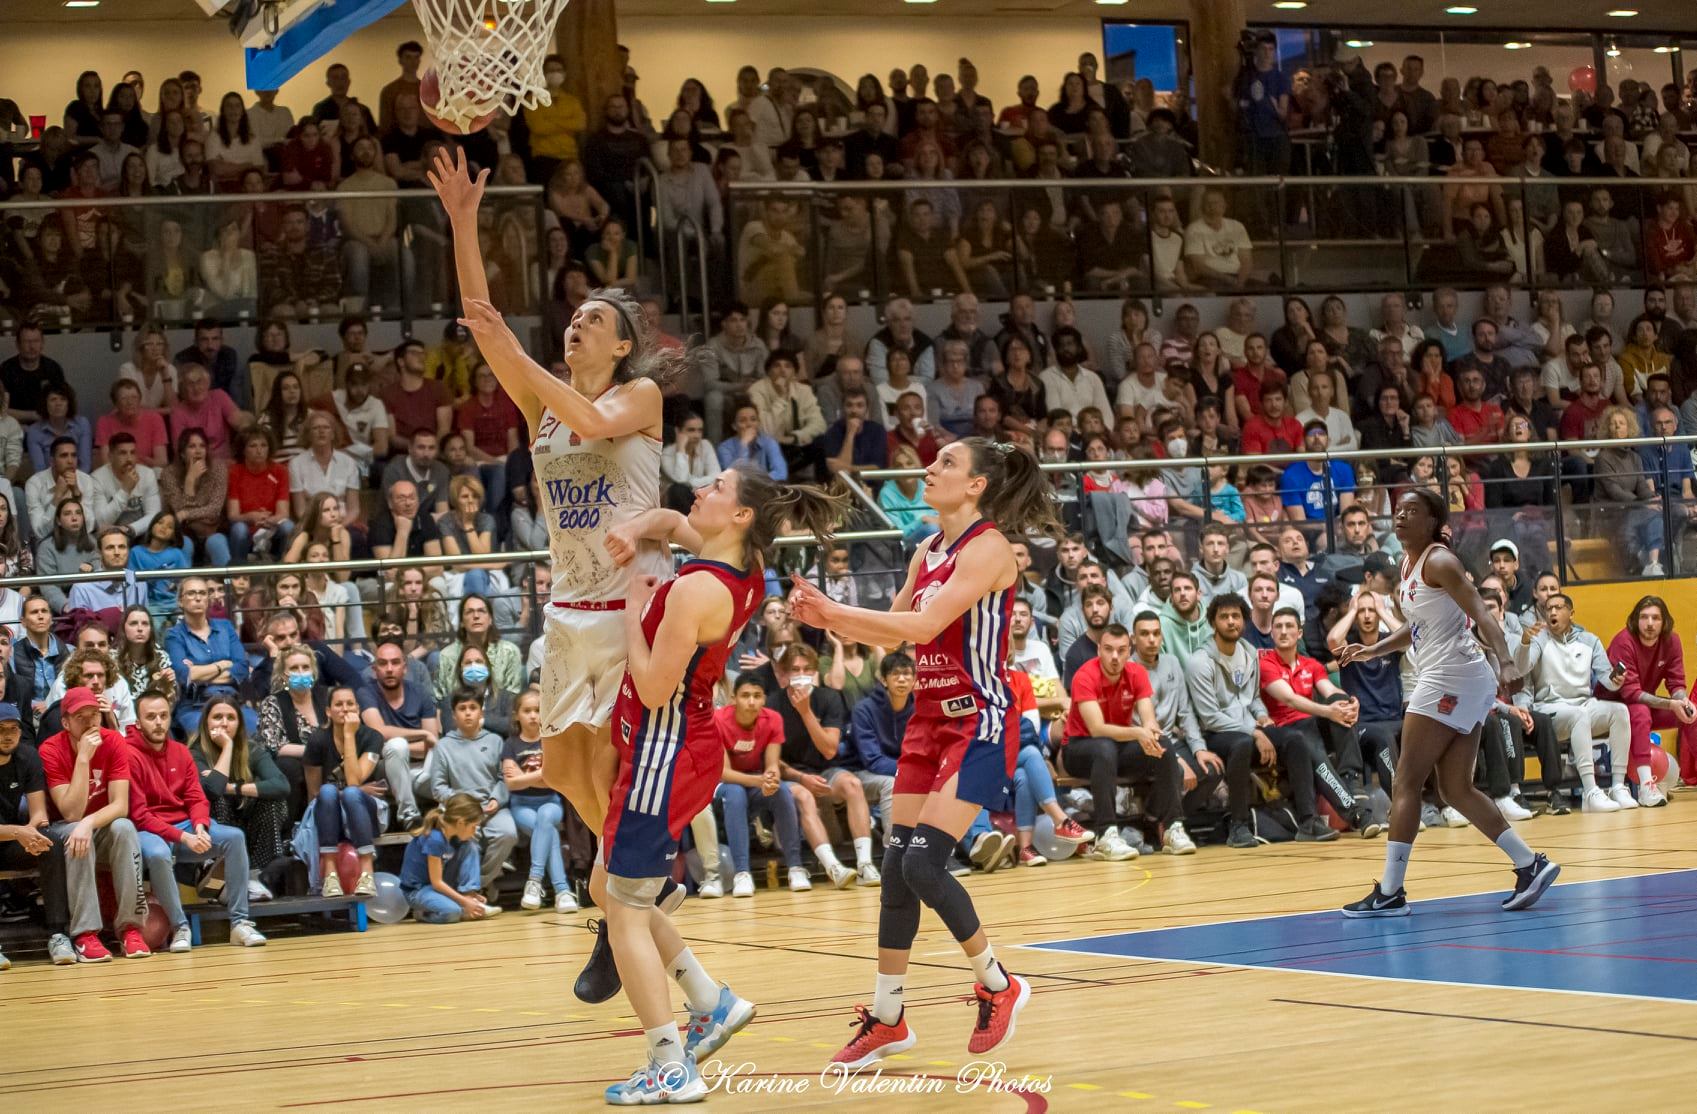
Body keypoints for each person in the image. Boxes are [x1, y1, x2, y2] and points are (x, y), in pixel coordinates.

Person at [788, 437, 1059, 1070]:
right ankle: (887, 1018)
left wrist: (837, 610)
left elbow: (922, 628)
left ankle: (998, 983)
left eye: (945, 464)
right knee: (895, 869)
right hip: (927, 724)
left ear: (976, 486)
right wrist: (823, 618)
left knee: (921, 865)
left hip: (979, 724)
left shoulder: (988, 549)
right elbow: (893, 639)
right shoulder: (925, 550)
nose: (928, 469)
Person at [593, 462, 841, 1103]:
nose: (700, 489)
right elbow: (676, 523)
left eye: (717, 488)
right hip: (687, 743)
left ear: (740, 516)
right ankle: (710, 1001)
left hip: (663, 750)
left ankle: (670, 1063)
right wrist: (638, 525)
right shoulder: (741, 567)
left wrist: (630, 610)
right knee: (610, 886)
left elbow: (650, 688)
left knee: (623, 905)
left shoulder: (694, 590)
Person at [1339, 489, 1558, 918]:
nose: (1401, 516)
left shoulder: (1440, 560)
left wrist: (1508, 661)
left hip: (1449, 677)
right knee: (1454, 788)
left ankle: (1390, 891)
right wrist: (1372, 650)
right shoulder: (1408, 564)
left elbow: (1482, 612)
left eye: (1412, 512)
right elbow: (1417, 626)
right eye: (1398, 510)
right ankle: (1531, 864)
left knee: (1405, 781)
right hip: (1459, 677)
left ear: (1433, 521)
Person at [127, 690, 266, 952]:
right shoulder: (128, 754)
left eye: (164, 716)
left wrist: (200, 826)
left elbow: (196, 797)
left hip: (186, 826)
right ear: (138, 722)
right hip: (149, 829)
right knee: (157, 853)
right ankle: (180, 927)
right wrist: (184, 837)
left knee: (234, 837)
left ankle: (240, 923)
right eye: (151, 717)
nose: (158, 722)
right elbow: (139, 815)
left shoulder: (181, 752)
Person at [1060, 621, 1197, 860]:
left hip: (1115, 749)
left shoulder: (1136, 673)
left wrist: (1151, 734)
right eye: (1108, 649)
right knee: (1104, 747)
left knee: (1163, 745)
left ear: (1130, 651)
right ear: (1099, 650)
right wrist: (1137, 733)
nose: (1114, 656)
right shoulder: (1084, 676)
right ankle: (1106, 834)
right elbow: (1097, 729)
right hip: (1078, 749)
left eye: (1121, 650)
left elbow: (1148, 720)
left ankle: (1173, 827)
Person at [41, 685, 148, 961]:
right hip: (64, 826)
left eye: (94, 715)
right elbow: (71, 811)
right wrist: (84, 758)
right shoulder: (50, 750)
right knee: (77, 834)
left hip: (99, 824)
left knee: (124, 827)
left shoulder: (113, 741)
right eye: (81, 717)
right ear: (65, 723)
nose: (90, 722)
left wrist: (89, 822)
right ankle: (85, 934)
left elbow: (120, 805)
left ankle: (130, 929)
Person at [1515, 592, 1634, 813]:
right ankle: (1590, 791)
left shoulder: (1590, 640)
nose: (1552, 612)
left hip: (1583, 705)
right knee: (1580, 716)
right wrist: (1524, 641)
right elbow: (1522, 668)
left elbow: (1608, 681)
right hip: (1550, 709)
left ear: (1571, 613)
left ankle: (1618, 786)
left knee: (1620, 711)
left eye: (1558, 607)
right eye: (1548, 608)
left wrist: (1616, 680)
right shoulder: (1539, 639)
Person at [0, 701, 81, 966]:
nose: (9, 734)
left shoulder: (27, 756)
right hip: (9, 834)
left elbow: (39, 813)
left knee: (51, 842)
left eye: (13, 728)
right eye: (1, 729)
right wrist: (19, 832)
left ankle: (58, 934)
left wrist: (31, 834)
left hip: (12, 840)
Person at [714, 674, 806, 896]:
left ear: (764, 699)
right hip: (721, 786)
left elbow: (772, 764)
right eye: (745, 696)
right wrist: (759, 780)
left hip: (755, 782)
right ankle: (742, 873)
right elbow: (723, 773)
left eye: (757, 696)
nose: (752, 701)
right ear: (734, 698)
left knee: (783, 790)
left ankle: (796, 867)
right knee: (735, 794)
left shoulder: (773, 719)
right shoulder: (718, 719)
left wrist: (771, 779)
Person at [1602, 595, 1694, 805]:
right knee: (1641, 711)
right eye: (1644, 617)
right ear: (1636, 619)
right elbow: (1631, 693)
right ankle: (1645, 787)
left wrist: (1683, 702)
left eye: (1655, 618)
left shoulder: (1672, 641)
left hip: (1644, 702)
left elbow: (1676, 682)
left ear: (1664, 622)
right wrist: (1671, 704)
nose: (1650, 623)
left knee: (1691, 713)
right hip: (1615, 704)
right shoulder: (1623, 641)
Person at [428, 690, 518, 896]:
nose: (468, 713)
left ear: (481, 712)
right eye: (462, 709)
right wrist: (462, 804)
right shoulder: (444, 746)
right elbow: (438, 787)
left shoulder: (495, 741)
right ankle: (471, 889)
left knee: (508, 833)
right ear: (453, 715)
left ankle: (480, 883)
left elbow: (503, 777)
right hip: (461, 811)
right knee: (467, 841)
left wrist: (497, 798)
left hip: (491, 806)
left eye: (472, 708)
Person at [188, 696, 290, 877]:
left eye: (231, 718)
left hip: (249, 821)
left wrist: (234, 788)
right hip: (209, 829)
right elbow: (212, 789)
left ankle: (258, 874)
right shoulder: (194, 752)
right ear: (206, 722)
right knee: (218, 800)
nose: (224, 723)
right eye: (218, 717)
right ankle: (218, 872)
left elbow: (281, 785)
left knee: (273, 803)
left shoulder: (251, 749)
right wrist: (227, 746)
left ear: (239, 724)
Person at [502, 689, 579, 913]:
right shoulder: (511, 744)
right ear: (517, 715)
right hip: (521, 805)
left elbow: (554, 779)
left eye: (537, 710)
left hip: (551, 801)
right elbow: (511, 784)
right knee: (549, 832)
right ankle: (563, 892)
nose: (533, 715)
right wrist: (541, 776)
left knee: (546, 816)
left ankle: (534, 882)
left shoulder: (551, 741)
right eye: (527, 711)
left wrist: (525, 777)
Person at [398, 792, 501, 924]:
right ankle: (423, 913)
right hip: (419, 890)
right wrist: (464, 902)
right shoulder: (435, 839)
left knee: (470, 847)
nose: (474, 831)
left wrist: (470, 897)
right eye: (473, 826)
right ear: (461, 822)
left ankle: (468, 895)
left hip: (436, 884)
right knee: (452, 913)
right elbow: (437, 883)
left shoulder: (452, 836)